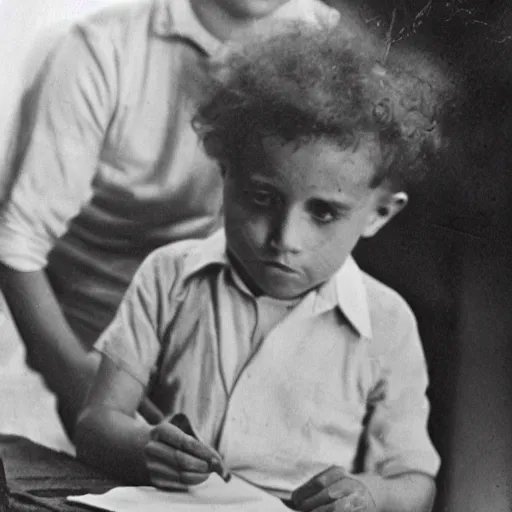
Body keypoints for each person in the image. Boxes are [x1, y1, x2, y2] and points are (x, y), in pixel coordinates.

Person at [74, 20, 444, 512]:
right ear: (225, 173)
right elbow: (96, 423)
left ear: (379, 213)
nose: (284, 239)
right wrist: (146, 450)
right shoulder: (168, 277)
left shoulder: (388, 323)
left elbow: (415, 481)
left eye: (324, 212)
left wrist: (370, 494)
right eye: (261, 197)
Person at [0, 0, 340, 437]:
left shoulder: (321, 37)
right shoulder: (102, 48)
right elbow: (16, 241)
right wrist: (75, 379)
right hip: (98, 331)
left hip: (232, 328)